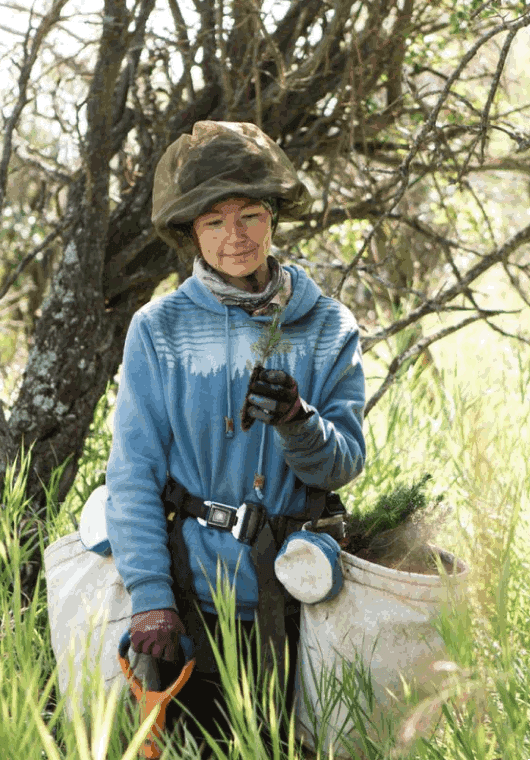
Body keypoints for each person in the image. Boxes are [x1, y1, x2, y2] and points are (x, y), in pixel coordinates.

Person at [105, 121, 366, 752]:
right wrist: (149, 599)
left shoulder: (328, 325)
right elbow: (133, 472)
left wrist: (298, 421)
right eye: (214, 222)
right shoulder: (158, 328)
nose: (235, 236)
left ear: (273, 215)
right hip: (192, 597)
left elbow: (343, 464)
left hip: (303, 598)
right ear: (190, 231)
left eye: (249, 214)